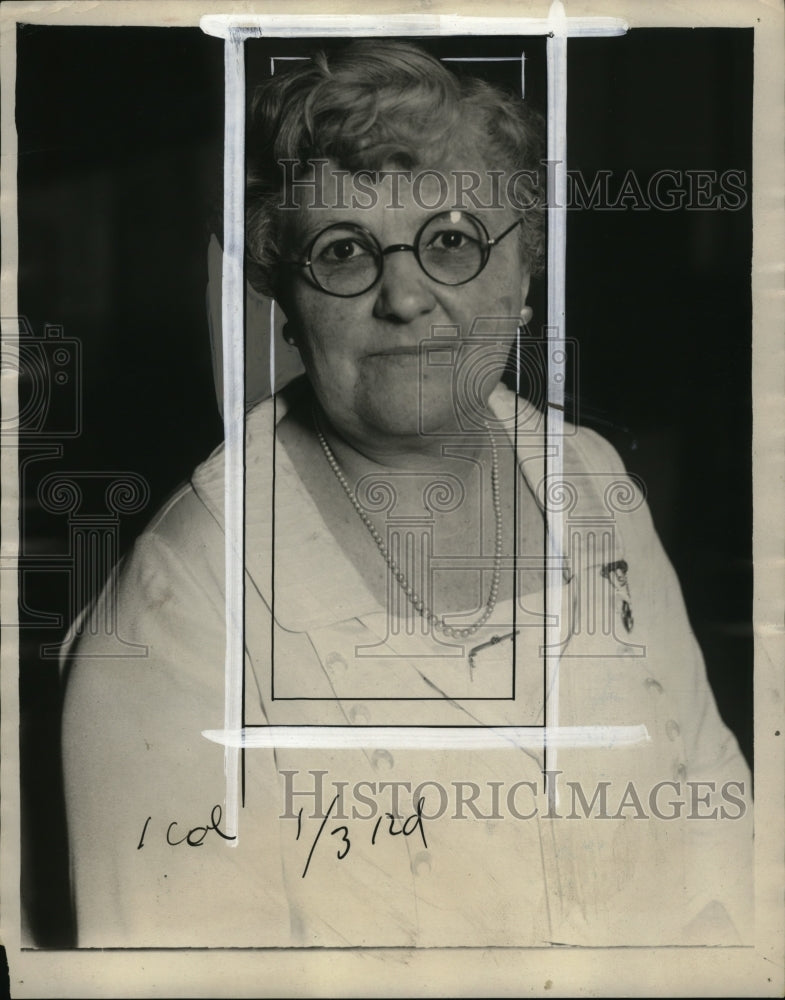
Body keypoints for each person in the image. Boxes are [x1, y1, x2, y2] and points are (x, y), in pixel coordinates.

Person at [61, 39, 752, 949]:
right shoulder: (183, 608)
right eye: (344, 252)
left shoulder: (588, 478)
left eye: (451, 241)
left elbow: (716, 814)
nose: (404, 297)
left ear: (525, 271)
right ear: (286, 302)